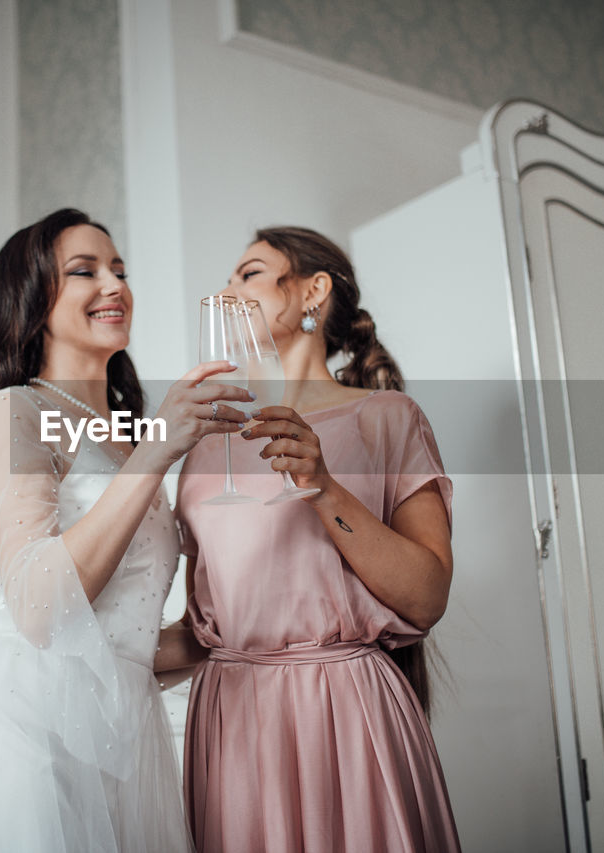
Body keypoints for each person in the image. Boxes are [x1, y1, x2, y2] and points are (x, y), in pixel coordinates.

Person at [0, 208, 249, 852]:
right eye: (84, 271)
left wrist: (224, 636)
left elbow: (122, 643)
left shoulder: (123, 442)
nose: (114, 285)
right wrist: (157, 453)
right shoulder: (15, 412)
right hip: (26, 736)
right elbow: (41, 608)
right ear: (31, 302)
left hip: (122, 744)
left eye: (119, 269)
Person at [176, 226, 460, 853]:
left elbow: (427, 596)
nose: (225, 293)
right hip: (231, 723)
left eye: (247, 274)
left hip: (346, 713)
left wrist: (323, 484)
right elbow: (202, 627)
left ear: (313, 290)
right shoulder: (203, 445)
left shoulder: (387, 417)